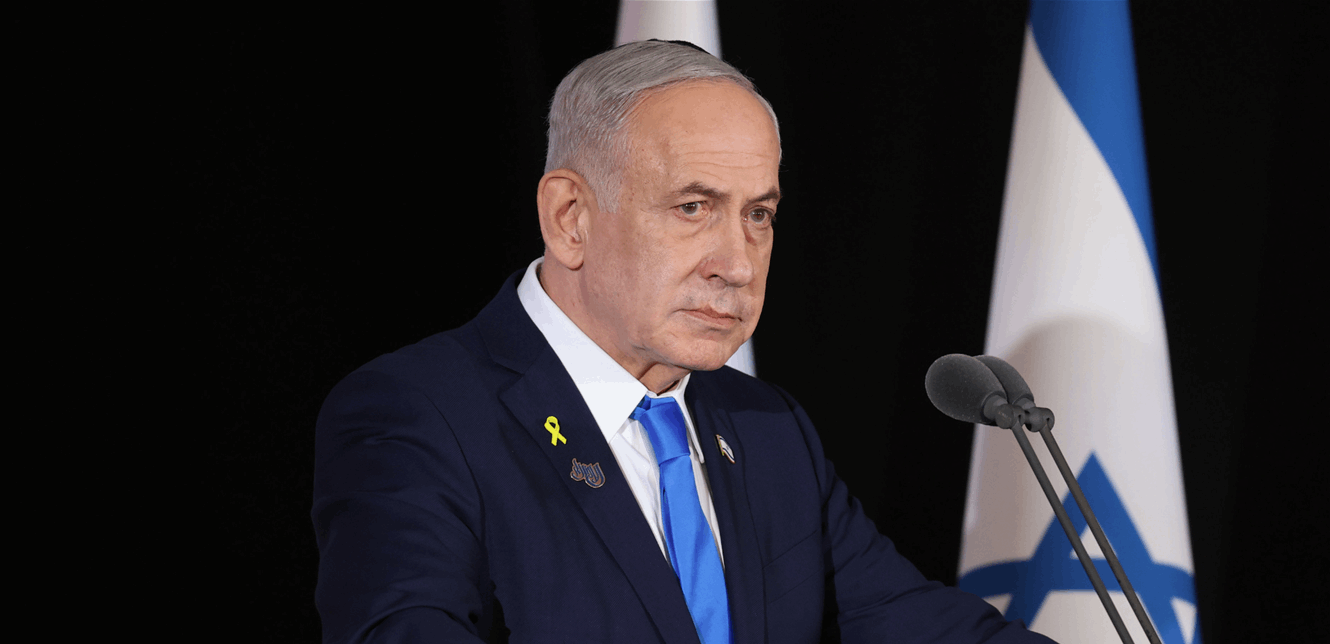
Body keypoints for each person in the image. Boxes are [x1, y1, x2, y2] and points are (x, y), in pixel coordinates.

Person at [312, 40, 1055, 644]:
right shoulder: (418, 416)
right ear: (570, 217)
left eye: (758, 215)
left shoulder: (767, 428)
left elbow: (913, 623)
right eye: (693, 207)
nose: (738, 264)